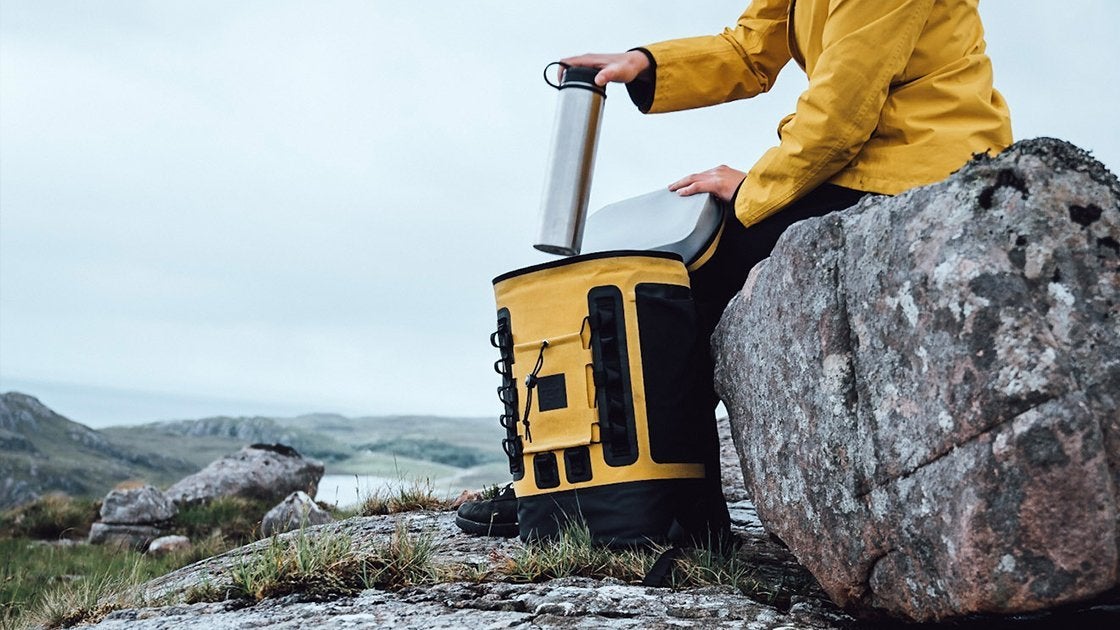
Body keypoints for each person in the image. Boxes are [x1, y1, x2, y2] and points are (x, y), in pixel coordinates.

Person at [558, 0, 1012, 545]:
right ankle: (588, 493)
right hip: (854, 165)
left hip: (913, 172)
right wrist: (644, 64)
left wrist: (753, 190)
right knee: (659, 281)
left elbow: (841, 112)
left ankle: (657, 514)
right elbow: (750, 47)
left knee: (675, 287)